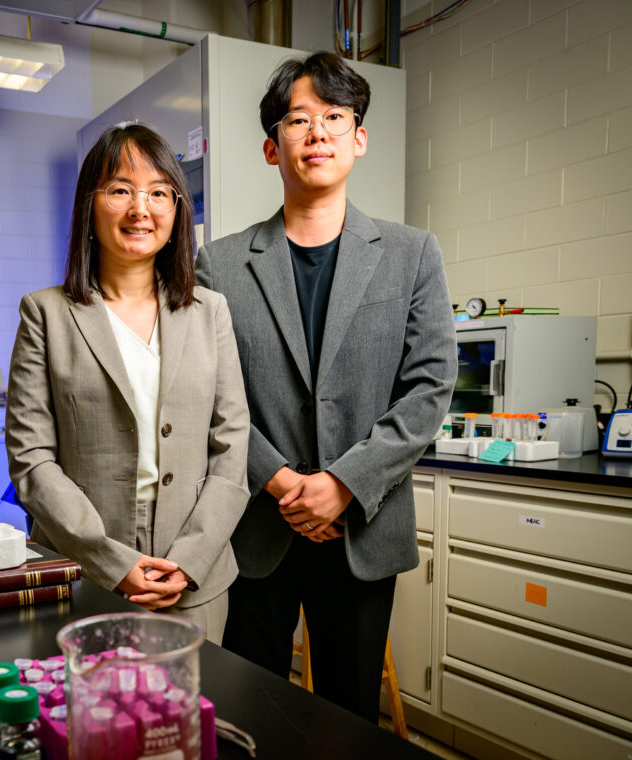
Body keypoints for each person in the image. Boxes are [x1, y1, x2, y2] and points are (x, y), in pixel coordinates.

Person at [195, 52, 456, 719]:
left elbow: (429, 389)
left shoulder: (411, 253)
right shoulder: (219, 264)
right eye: (299, 120)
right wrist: (284, 482)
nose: (317, 133)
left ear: (359, 138)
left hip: (364, 527)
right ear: (270, 145)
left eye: (335, 118)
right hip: (260, 526)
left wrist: (342, 484)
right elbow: (207, 395)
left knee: (349, 712)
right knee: (251, 707)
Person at [6, 124, 250, 643]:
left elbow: (231, 447)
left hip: (194, 583)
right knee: (91, 720)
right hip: (82, 573)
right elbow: (31, 458)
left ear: (177, 211)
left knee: (183, 719)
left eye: (160, 193)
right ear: (89, 207)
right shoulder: (45, 314)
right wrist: (109, 559)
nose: (142, 208)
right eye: (120, 190)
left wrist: (189, 561)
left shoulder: (211, 313)